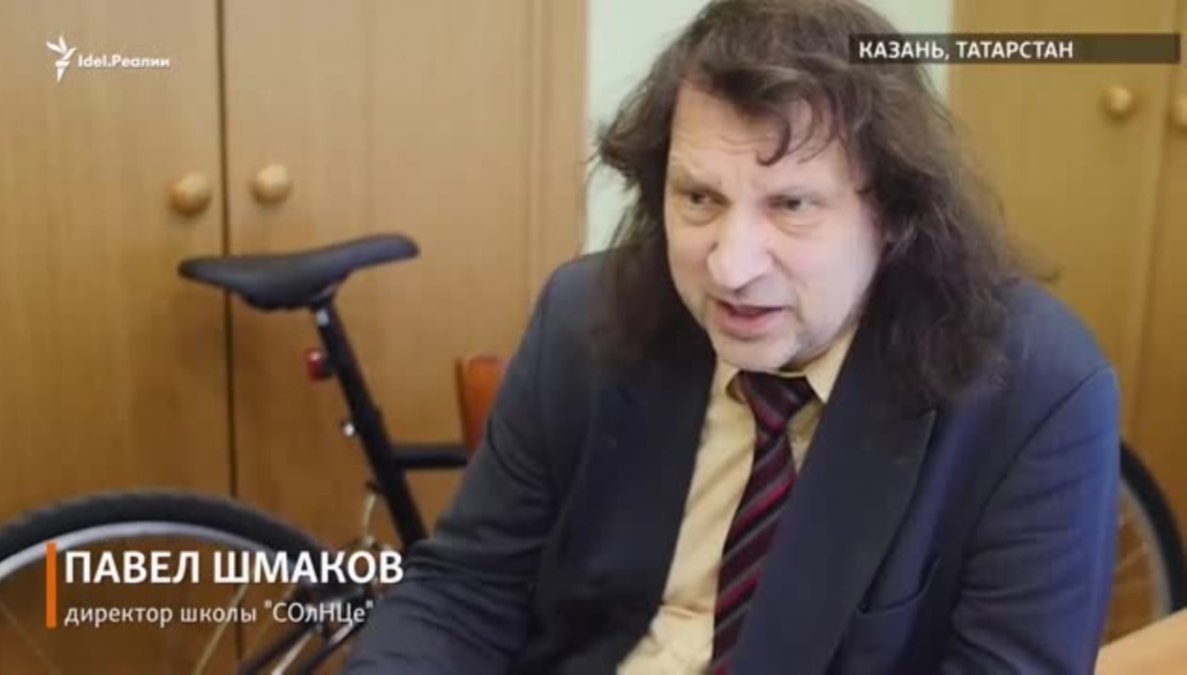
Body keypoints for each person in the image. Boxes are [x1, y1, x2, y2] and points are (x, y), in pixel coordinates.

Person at [343, 0, 1120, 672]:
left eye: (792, 205)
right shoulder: (584, 317)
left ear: (892, 214)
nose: (730, 266)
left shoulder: (1036, 389)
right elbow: (463, 590)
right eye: (699, 197)